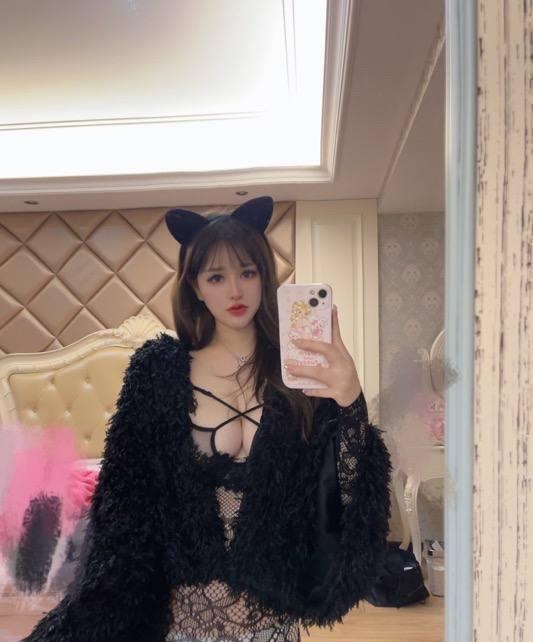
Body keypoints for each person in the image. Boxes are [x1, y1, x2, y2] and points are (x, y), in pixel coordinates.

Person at [21, 196, 392, 642]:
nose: (235, 290)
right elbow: (123, 502)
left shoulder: (297, 377)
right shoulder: (158, 372)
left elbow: (345, 493)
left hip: (271, 627)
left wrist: (351, 401)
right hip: (182, 626)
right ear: (195, 287)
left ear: (264, 277)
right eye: (216, 276)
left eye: (247, 273)